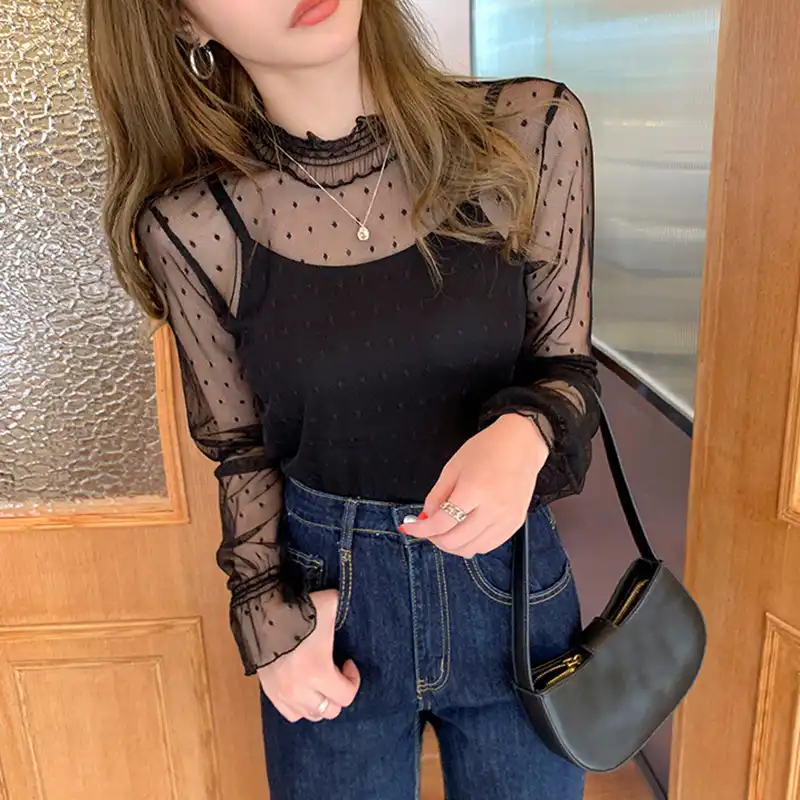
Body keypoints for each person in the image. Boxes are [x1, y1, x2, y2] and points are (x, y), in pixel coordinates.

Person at [87, 0, 600, 797]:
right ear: (185, 24)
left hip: (512, 598)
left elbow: (565, 364)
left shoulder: (529, 130)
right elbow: (241, 448)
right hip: (327, 606)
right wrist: (267, 622)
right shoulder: (194, 225)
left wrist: (525, 431)